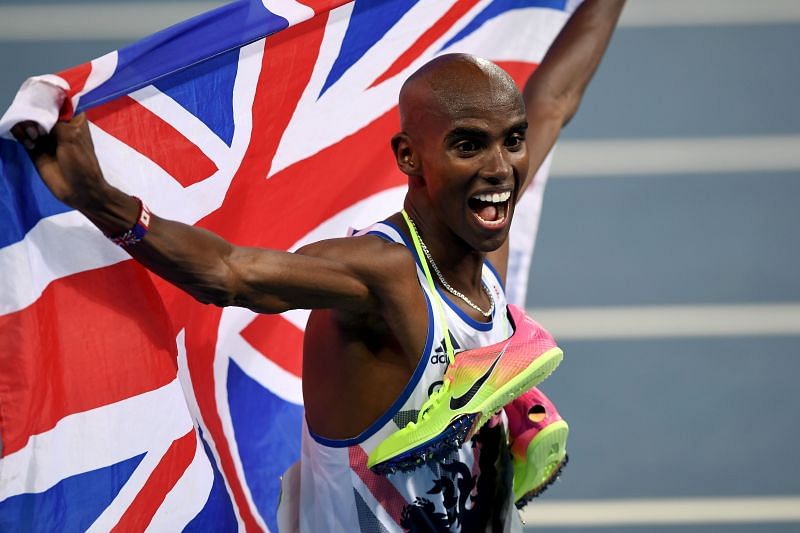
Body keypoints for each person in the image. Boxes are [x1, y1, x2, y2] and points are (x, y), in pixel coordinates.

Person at [12, 1, 624, 530]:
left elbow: (553, 100)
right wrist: (101, 200)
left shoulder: (488, 240)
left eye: (510, 141)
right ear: (408, 157)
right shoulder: (382, 275)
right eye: (468, 144)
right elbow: (232, 274)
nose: (500, 167)